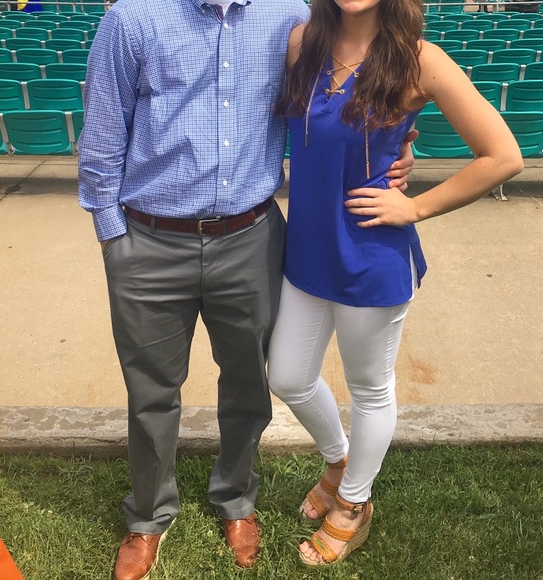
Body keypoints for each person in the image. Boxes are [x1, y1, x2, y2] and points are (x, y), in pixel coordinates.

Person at [78, 0, 415, 577]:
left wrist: (399, 145)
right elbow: (103, 131)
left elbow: (354, 91)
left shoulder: (289, 17)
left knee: (247, 385)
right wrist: (113, 236)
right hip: (150, 242)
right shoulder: (132, 19)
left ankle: (236, 497)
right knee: (151, 390)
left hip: (250, 237)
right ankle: (149, 515)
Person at [268, 0, 523, 567]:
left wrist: (416, 207)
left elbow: (503, 156)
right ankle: (339, 462)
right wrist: (399, 140)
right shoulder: (302, 43)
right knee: (287, 376)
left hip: (371, 255)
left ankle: (354, 502)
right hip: (307, 250)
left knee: (370, 388)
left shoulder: (419, 60)